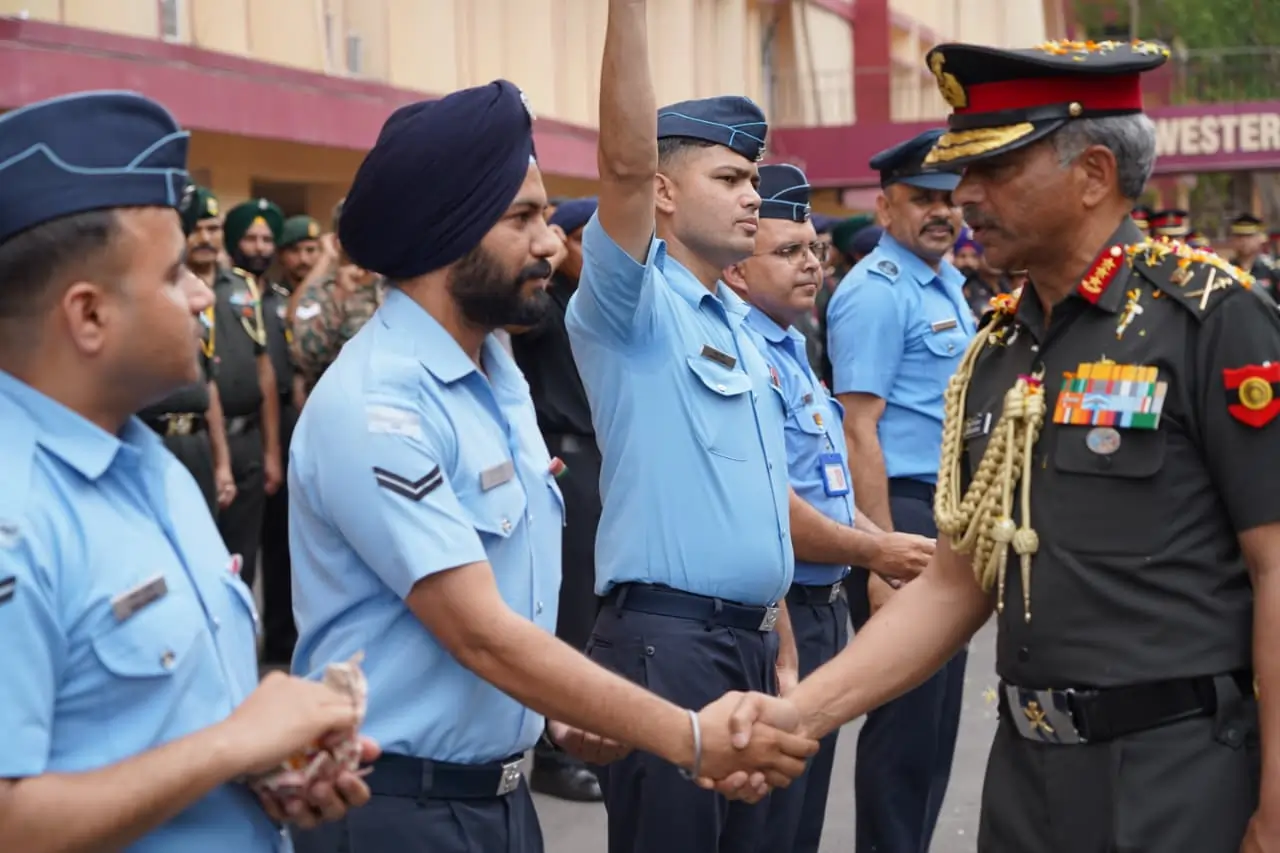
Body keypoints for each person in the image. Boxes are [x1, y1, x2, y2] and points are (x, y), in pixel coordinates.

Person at [720, 38, 1280, 853]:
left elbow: (1275, 565)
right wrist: (796, 713)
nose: (966, 195)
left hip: (1177, 777)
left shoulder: (1210, 322)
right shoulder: (999, 349)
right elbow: (957, 583)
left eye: (996, 168)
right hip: (1029, 782)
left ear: (1093, 174)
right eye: (962, 170)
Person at [286, 79, 818, 853]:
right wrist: (688, 736)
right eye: (522, 219)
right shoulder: (378, 402)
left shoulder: (495, 378)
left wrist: (560, 710)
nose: (548, 243)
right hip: (395, 808)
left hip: (495, 800)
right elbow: (480, 633)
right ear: (446, 232)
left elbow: (512, 613)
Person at [564, 4, 930, 851]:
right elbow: (622, 160)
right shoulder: (634, 307)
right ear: (663, 192)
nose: (752, 196)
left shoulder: (738, 322)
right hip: (667, 645)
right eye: (729, 178)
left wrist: (783, 645)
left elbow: (758, 504)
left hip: (752, 641)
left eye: (753, 181)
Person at [0, 89, 376, 853]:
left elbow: (161, 726)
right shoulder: (18, 510)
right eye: (176, 276)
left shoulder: (146, 461)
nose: (205, 292)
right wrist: (234, 744)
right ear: (89, 315)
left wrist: (269, 767)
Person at [823, 126, 971, 853]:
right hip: (902, 510)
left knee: (936, 721)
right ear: (885, 208)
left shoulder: (944, 282)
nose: (942, 212)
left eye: (950, 199)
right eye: (922, 199)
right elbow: (859, 428)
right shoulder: (876, 294)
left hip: (944, 510)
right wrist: (879, 556)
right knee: (907, 720)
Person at [723, 163, 852, 853]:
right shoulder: (743, 349)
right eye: (789, 251)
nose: (811, 264)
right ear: (737, 272)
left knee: (802, 819)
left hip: (826, 602)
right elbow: (775, 501)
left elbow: (828, 484)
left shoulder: (793, 342)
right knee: (770, 823)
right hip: (786, 605)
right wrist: (881, 550)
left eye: (815, 249)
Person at [509, 196, 608, 803]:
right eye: (583, 238)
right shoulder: (543, 305)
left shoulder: (589, 302)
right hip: (564, 457)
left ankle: (591, 731)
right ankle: (554, 752)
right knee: (569, 607)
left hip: (601, 459)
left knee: (597, 604)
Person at [135, 188, 235, 516]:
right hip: (153, 437)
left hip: (195, 443)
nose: (203, 296)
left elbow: (208, 387)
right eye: (171, 274)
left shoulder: (190, 318)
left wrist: (221, 462)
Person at [210, 197, 284, 588]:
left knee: (245, 558)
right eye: (250, 238)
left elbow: (265, 372)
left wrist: (271, 452)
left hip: (248, 440)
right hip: (200, 438)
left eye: (266, 239)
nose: (259, 247)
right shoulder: (198, 290)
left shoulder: (245, 291)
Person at [290, 199, 386, 394]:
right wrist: (338, 299)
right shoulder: (320, 290)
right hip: (336, 398)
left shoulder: (392, 285)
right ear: (337, 241)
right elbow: (304, 358)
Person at [1228, 213, 1279, 295]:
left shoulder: (1272, 270)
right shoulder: (1226, 270)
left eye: (1249, 236)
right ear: (1233, 240)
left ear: (1260, 238)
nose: (1244, 241)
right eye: (1239, 236)